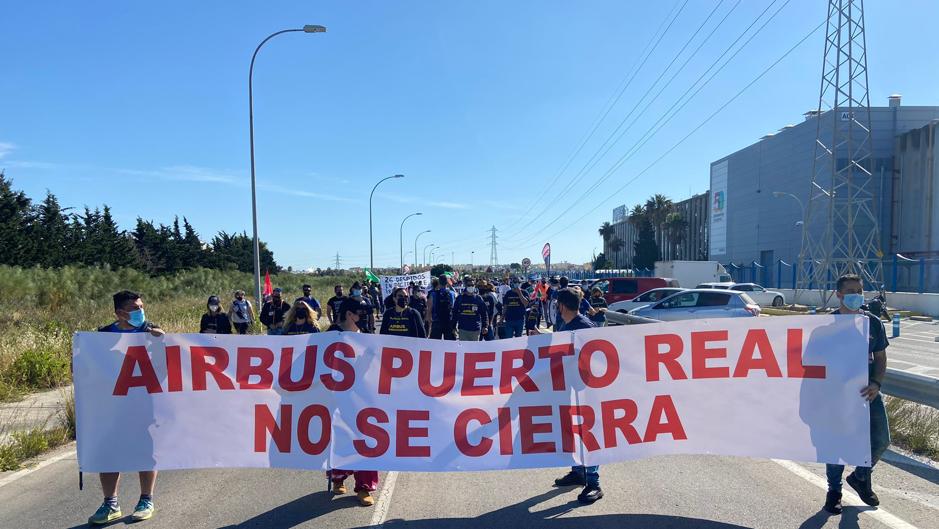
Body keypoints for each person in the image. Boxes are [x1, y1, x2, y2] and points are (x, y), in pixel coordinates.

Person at [89, 290, 165, 524]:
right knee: (109, 454)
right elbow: (87, 366)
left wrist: (161, 341)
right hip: (112, 405)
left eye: (141, 306)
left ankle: (146, 499)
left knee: (145, 451)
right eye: (135, 308)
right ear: (119, 313)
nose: (141, 311)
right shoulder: (103, 335)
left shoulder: (150, 332)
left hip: (144, 402)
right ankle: (110, 503)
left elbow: (166, 363)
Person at [823, 274, 890, 515]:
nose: (857, 295)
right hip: (838, 395)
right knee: (837, 444)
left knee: (881, 439)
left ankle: (861, 477)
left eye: (859, 290)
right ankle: (834, 492)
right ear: (839, 294)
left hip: (868, 392)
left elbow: (881, 357)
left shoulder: (872, 322)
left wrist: (876, 383)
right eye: (851, 291)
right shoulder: (827, 325)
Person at [550, 288, 602, 504]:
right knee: (573, 432)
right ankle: (578, 471)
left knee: (587, 435)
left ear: (562, 305)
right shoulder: (568, 325)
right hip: (571, 390)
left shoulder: (584, 327)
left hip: (585, 392)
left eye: (557, 305)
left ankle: (593, 482)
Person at [326, 296, 379, 506]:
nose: (365, 317)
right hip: (337, 396)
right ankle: (338, 476)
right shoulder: (330, 335)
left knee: (366, 439)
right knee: (339, 437)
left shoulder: (366, 337)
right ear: (349, 314)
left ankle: (364, 486)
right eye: (361, 313)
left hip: (362, 397)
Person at [452, 277, 489, 342]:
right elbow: (454, 313)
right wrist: (453, 327)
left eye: (472, 285)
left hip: (475, 330)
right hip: (463, 329)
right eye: (469, 285)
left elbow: (484, 313)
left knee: (474, 351)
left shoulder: (478, 298)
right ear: (465, 286)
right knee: (464, 350)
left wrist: (485, 326)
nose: (471, 287)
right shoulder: (460, 298)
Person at [427, 274, 456, 340]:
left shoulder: (433, 294)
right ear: (447, 282)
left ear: (439, 282)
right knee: (449, 344)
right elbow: (453, 308)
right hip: (448, 321)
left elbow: (429, 309)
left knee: (435, 344)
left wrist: (430, 321)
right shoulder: (452, 293)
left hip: (437, 321)